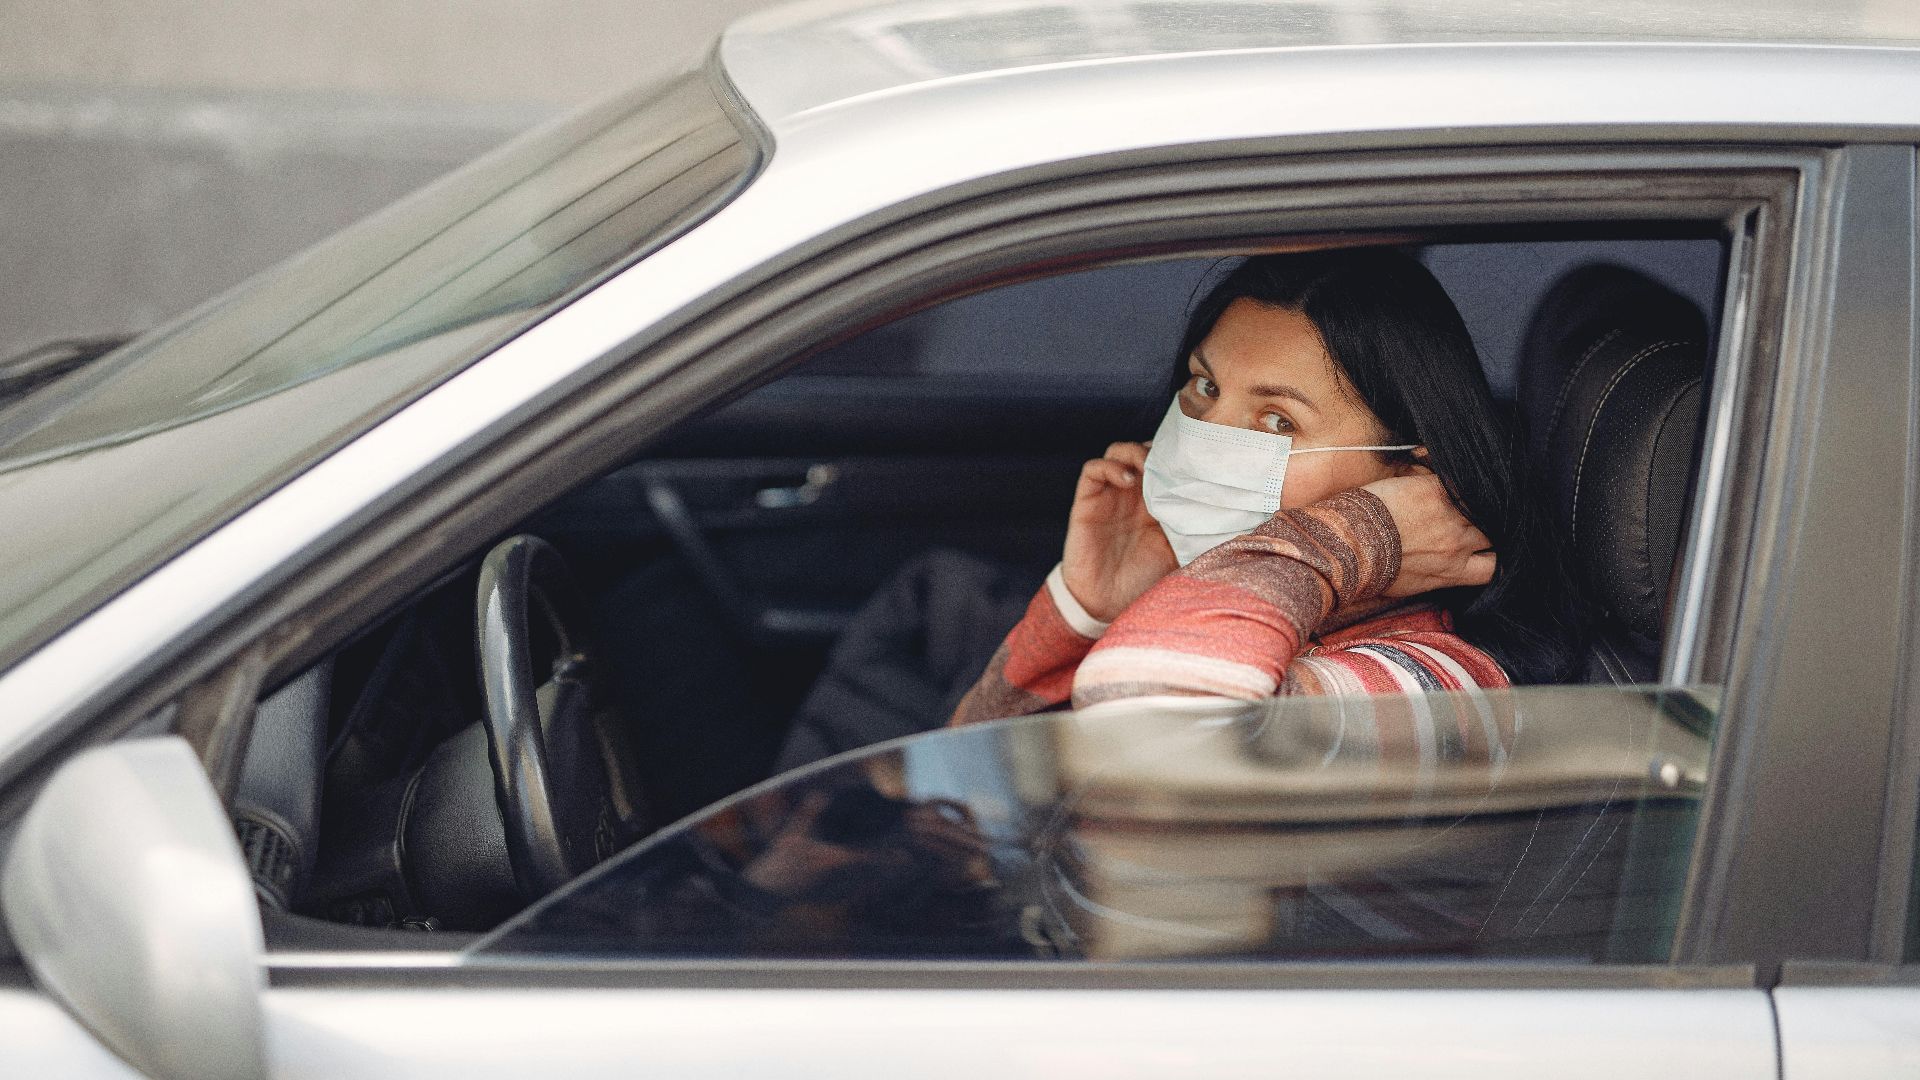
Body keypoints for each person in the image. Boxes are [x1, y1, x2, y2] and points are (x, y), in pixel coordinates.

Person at [950, 248, 1582, 727]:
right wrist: (1090, 610)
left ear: (1409, 475)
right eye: (1205, 387)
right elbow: (973, 798)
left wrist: (1353, 537)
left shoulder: (1439, 681)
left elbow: (1148, 720)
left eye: (1279, 422)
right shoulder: (1231, 613)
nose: (1203, 441)